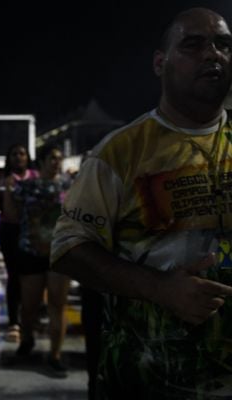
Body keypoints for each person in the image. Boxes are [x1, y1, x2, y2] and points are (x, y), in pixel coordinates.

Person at [52, 8, 232, 399]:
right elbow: (68, 248)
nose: (213, 54)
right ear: (159, 63)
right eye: (193, 44)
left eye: (223, 45)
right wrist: (161, 289)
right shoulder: (120, 153)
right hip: (148, 378)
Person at [11, 145, 70, 378]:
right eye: (52, 158)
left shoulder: (69, 186)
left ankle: (55, 355)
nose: (56, 162)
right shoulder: (26, 187)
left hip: (58, 253)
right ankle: (27, 338)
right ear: (43, 161)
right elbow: (14, 215)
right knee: (29, 305)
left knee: (58, 304)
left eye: (59, 158)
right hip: (31, 251)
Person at [0, 144, 39, 343]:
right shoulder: (4, 181)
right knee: (14, 276)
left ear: (27, 157)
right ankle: (14, 322)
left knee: (32, 277)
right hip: (11, 232)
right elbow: (10, 213)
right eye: (14, 153)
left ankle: (30, 318)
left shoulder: (37, 177)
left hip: (33, 232)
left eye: (21, 153)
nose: (18, 157)